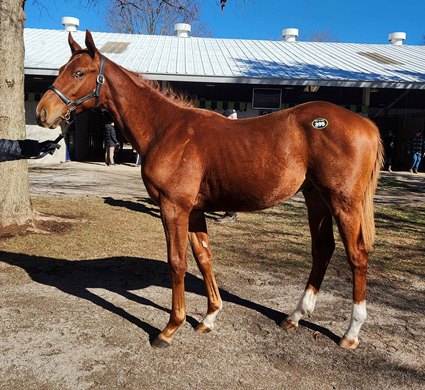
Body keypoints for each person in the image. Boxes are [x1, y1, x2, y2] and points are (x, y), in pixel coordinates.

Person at [216, 108, 239, 224]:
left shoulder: (236, 131)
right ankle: (231, 212)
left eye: (236, 117)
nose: (235, 120)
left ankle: (231, 214)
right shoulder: (221, 131)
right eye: (232, 117)